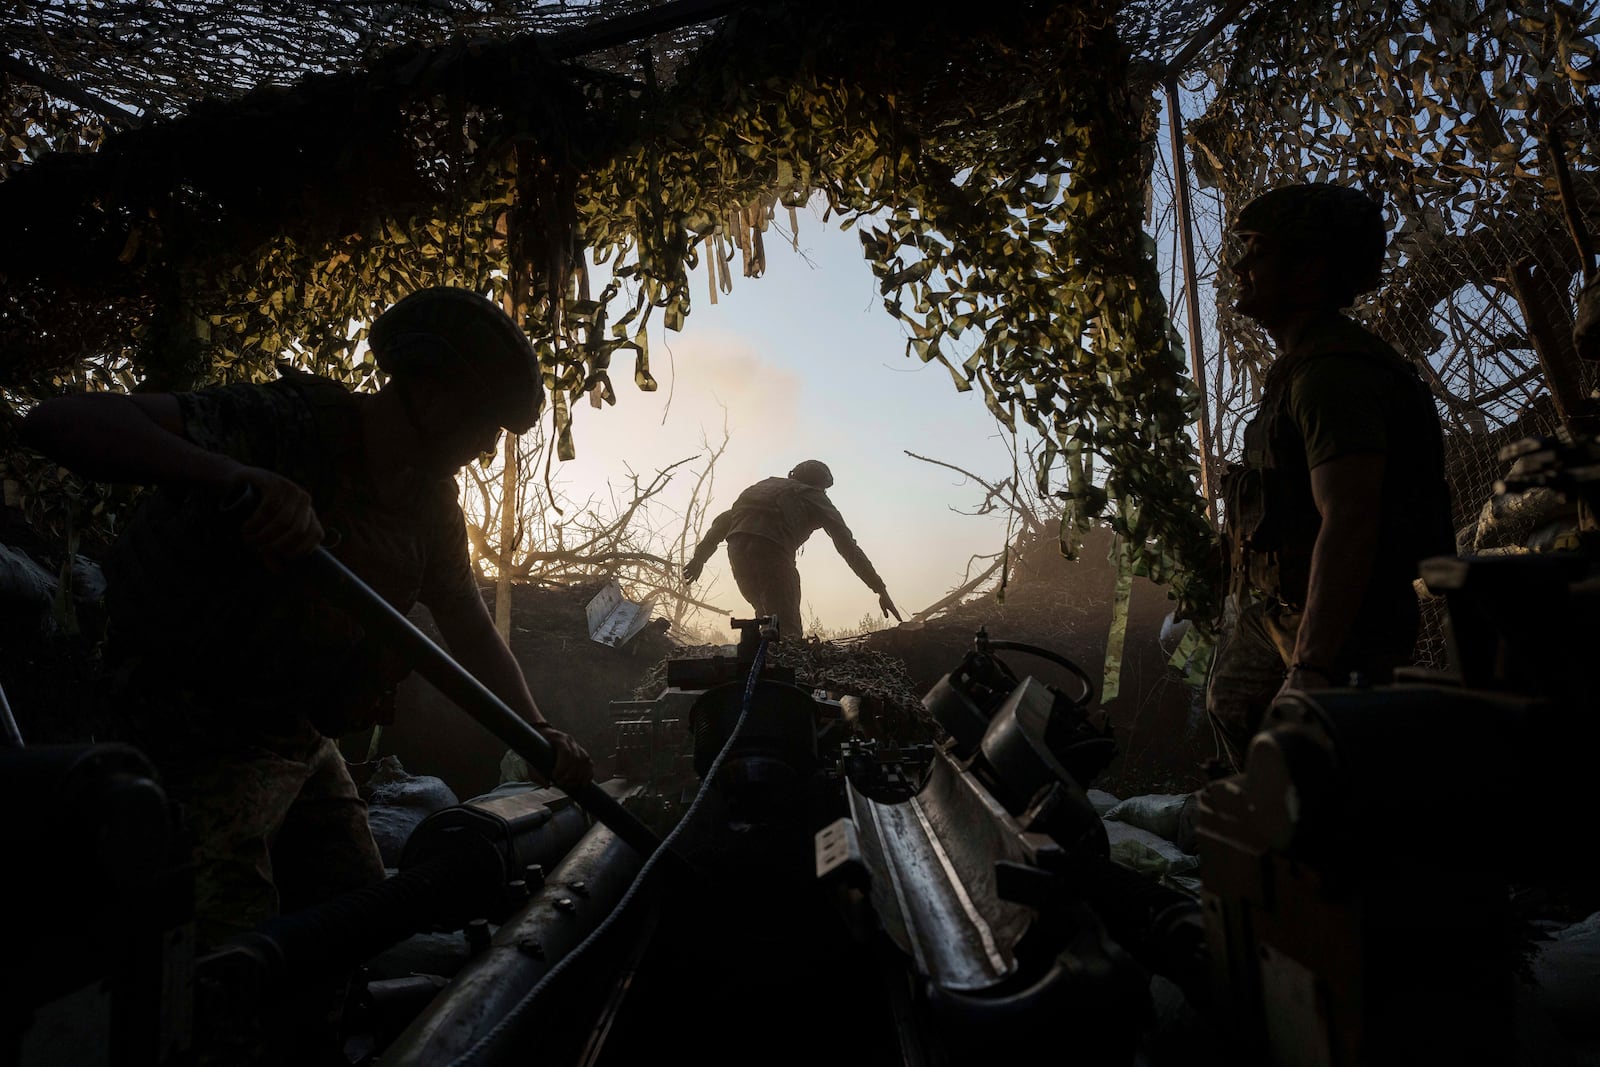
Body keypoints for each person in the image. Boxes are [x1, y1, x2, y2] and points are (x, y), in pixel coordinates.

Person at [20, 286, 594, 950]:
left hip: (295, 735)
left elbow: (467, 622)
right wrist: (233, 476)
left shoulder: (428, 502)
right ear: (430, 397)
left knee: (358, 919)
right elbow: (55, 421)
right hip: (186, 731)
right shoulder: (283, 424)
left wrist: (537, 730)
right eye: (482, 424)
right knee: (228, 961)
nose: (487, 447)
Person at [1206, 183, 1454, 770]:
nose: (1240, 267)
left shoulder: (1334, 376)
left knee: (1323, 779)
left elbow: (1350, 518)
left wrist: (1312, 666)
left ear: (1310, 272)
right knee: (1240, 721)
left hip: (1339, 632)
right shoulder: (1299, 371)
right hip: (1281, 613)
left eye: (1257, 252)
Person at [683, 460, 901, 640]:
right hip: (772, 554)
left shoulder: (760, 488)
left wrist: (699, 559)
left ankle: (759, 675)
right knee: (788, 631)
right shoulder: (813, 495)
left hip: (738, 554)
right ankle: (787, 683)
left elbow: (721, 524)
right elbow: (847, 545)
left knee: (766, 619)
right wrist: (879, 588)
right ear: (820, 484)